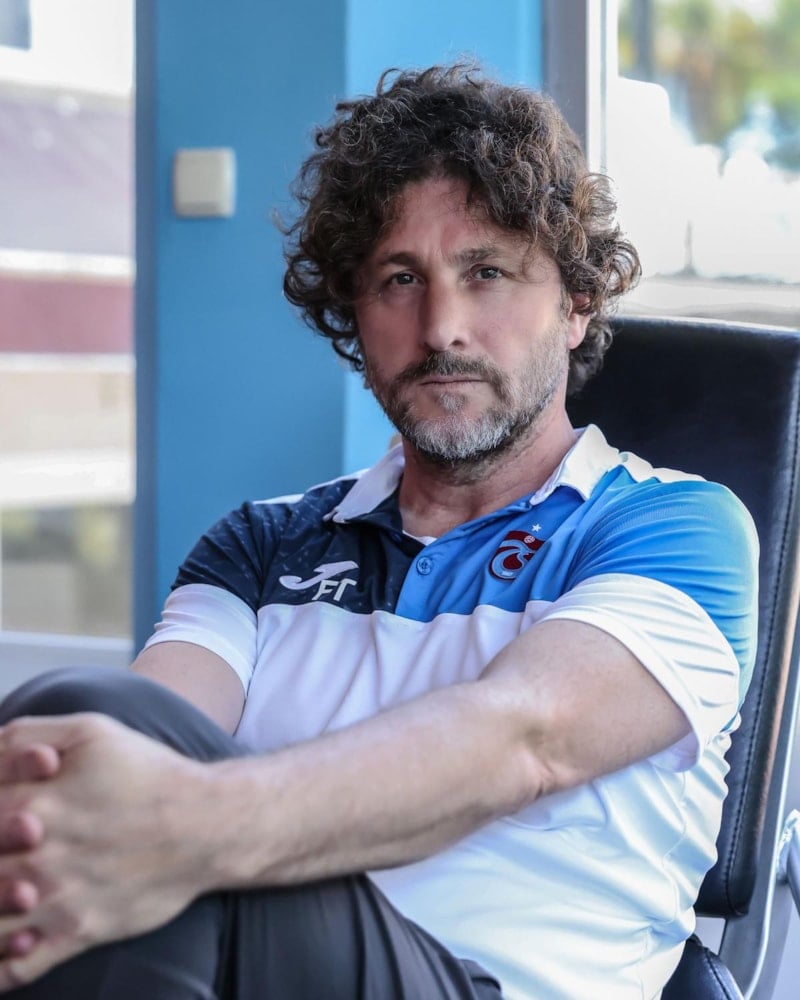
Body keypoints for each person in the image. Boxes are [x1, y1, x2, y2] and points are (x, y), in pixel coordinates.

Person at [0, 64, 758, 1000]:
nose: (441, 328)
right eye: (400, 280)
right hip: (239, 973)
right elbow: (124, 748)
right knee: (78, 728)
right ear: (354, 317)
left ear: (575, 304)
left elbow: (520, 740)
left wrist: (178, 827)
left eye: (487, 273)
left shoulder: (674, 527)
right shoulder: (261, 547)